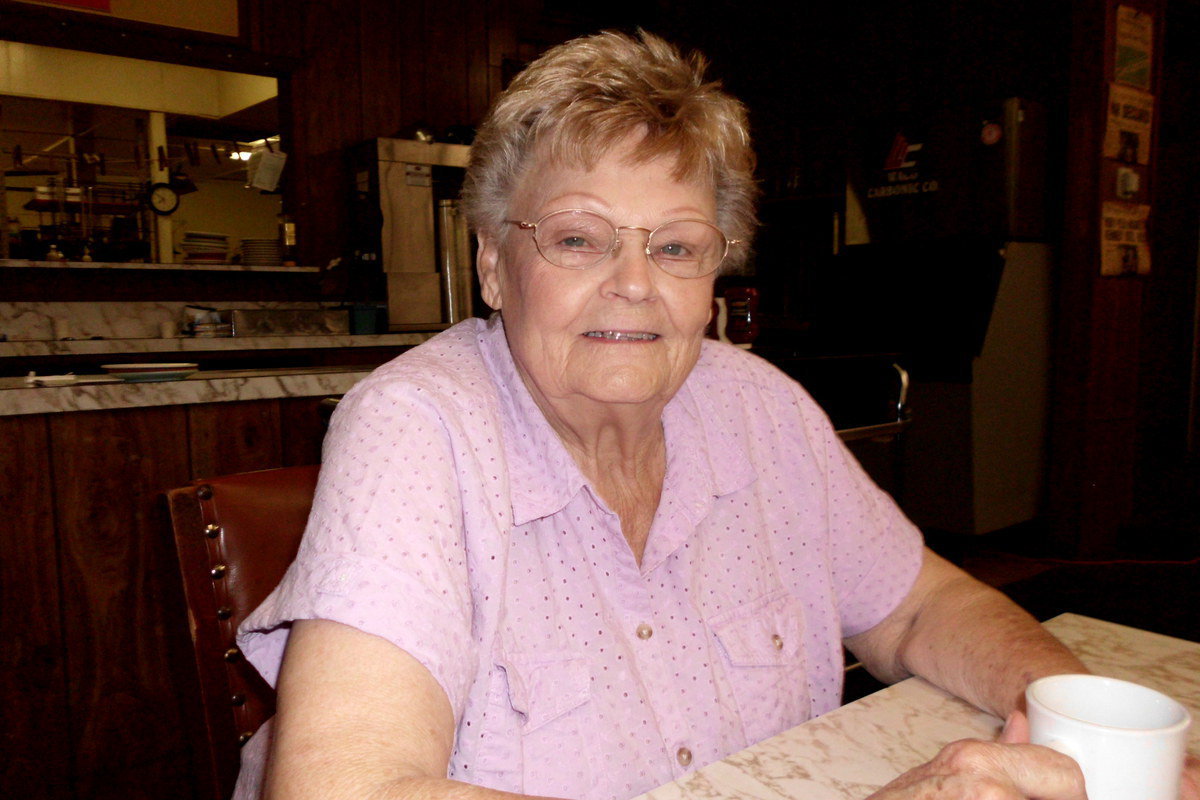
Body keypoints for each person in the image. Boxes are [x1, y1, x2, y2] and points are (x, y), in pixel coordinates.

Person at [233, 30, 1196, 800]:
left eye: (678, 247)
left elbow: (920, 607)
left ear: (714, 277)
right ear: (493, 263)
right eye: (577, 238)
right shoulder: (414, 428)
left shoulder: (759, 408)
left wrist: (1074, 721)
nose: (634, 287)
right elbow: (342, 788)